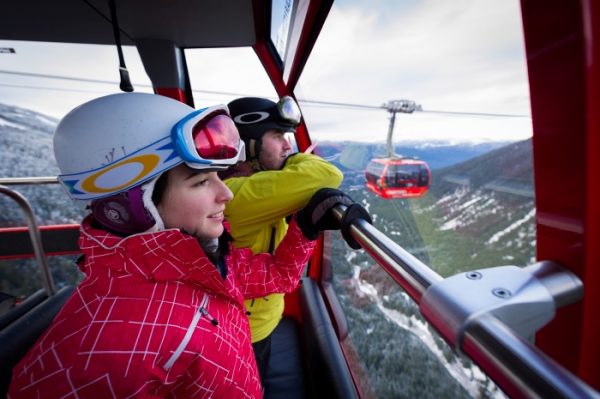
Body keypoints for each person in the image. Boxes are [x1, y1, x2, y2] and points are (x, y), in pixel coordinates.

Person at [8, 93, 352, 399]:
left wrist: (305, 229)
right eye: (202, 181)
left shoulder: (210, 265)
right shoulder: (102, 349)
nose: (227, 194)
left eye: (220, 176)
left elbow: (276, 276)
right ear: (132, 206)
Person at [224, 96, 344, 383]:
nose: (288, 145)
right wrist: (292, 160)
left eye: (286, 137)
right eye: (278, 136)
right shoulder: (234, 195)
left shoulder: (260, 184)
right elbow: (329, 174)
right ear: (247, 145)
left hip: (261, 324)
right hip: (245, 335)